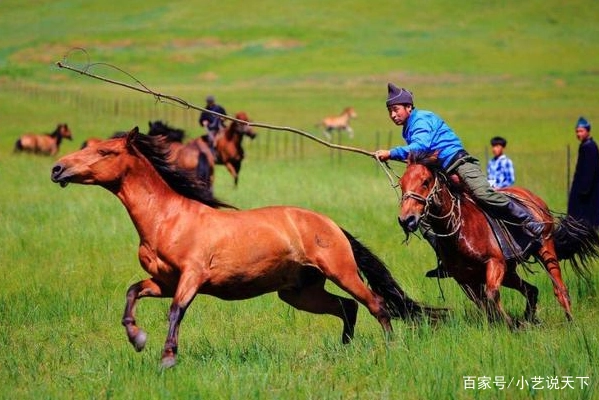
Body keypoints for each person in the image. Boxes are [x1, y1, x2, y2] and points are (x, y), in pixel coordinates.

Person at [375, 83, 545, 278]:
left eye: (395, 110)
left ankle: (528, 221)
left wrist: (390, 153)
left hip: (458, 162)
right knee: (424, 218)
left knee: (483, 193)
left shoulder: (421, 120)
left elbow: (421, 147)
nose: (393, 115)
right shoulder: (407, 129)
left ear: (409, 107)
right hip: (441, 171)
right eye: (389, 111)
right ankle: (445, 259)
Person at [567, 117, 599, 228]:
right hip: (582, 188)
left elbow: (590, 170)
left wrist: (583, 190)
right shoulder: (585, 145)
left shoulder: (589, 147)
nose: (578, 134)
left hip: (586, 190)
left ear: (587, 131)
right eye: (577, 131)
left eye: (581, 131)